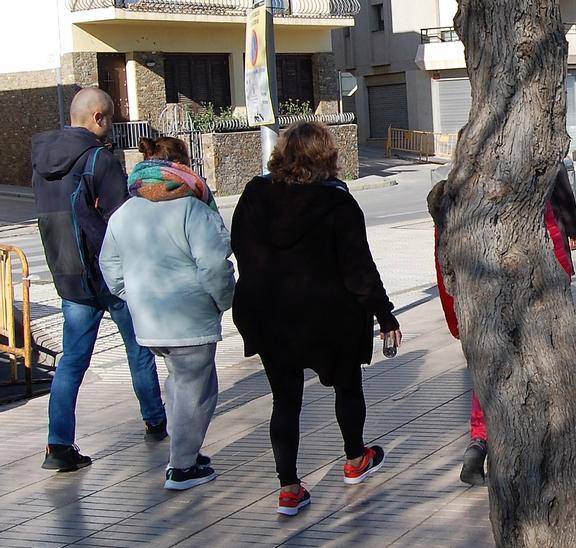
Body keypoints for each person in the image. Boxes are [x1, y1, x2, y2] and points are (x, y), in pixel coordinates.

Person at [230, 122, 399, 516]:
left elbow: (241, 250)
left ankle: (289, 488)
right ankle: (355, 459)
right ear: (327, 156)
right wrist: (384, 314)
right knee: (347, 387)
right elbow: (359, 269)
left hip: (270, 318)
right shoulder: (338, 203)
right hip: (331, 319)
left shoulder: (254, 196)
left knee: (285, 400)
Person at [30, 88, 166, 472]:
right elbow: (122, 222)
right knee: (138, 350)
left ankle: (58, 445)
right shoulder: (98, 160)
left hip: (68, 275)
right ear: (98, 118)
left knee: (71, 362)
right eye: (109, 119)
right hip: (110, 276)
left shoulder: (41, 163)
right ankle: (155, 421)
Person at [431, 166, 576, 486]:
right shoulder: (523, 188)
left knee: (490, 372)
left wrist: (458, 322)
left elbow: (444, 267)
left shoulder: (453, 200)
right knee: (537, 367)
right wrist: (563, 280)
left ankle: (479, 441)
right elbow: (551, 237)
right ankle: (539, 448)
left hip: (481, 305)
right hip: (529, 295)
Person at [99, 137, 232, 491]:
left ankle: (183, 451)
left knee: (177, 386)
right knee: (197, 392)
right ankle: (182, 466)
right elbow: (216, 265)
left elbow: (109, 267)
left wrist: (135, 297)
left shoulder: (125, 212)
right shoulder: (193, 209)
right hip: (191, 319)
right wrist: (222, 301)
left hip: (150, 321)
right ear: (183, 167)